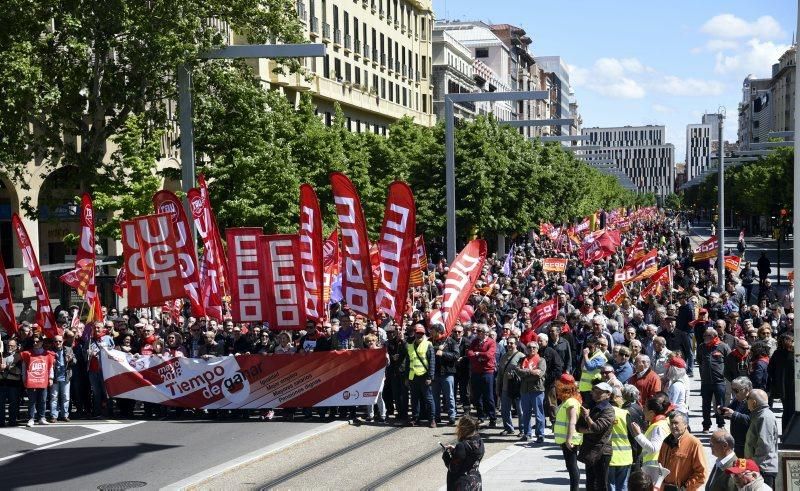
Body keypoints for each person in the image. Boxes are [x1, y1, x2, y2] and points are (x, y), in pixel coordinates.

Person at [577, 381, 616, 491]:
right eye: (594, 391)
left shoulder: (608, 409)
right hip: (590, 450)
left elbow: (597, 428)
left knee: (601, 484)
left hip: (602, 451)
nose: (595, 394)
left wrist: (587, 417)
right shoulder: (590, 405)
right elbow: (578, 427)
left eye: (600, 392)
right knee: (590, 483)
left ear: (608, 394)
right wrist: (589, 429)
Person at [657, 411, 707, 490]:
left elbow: (701, 474)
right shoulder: (666, 442)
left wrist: (684, 488)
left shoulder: (694, 443)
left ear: (685, 425)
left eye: (676, 423)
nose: (673, 426)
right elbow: (659, 464)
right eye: (671, 423)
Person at [698, 327, 730, 432]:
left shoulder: (723, 346)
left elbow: (729, 361)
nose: (704, 338)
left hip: (719, 382)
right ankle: (706, 425)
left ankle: (721, 424)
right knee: (705, 405)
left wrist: (725, 375)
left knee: (720, 404)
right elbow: (700, 360)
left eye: (706, 336)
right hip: (706, 382)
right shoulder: (702, 347)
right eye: (704, 336)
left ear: (713, 336)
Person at [743, 389, 778, 488]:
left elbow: (764, 445)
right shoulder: (758, 415)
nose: (746, 401)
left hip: (763, 469)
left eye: (747, 398)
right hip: (758, 467)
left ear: (753, 402)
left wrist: (752, 465)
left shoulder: (765, 417)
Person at [554, 374, 583, 491]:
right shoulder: (569, 401)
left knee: (572, 466)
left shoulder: (571, 402)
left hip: (571, 440)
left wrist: (569, 439)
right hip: (567, 439)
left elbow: (572, 421)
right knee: (570, 466)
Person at [442, 415, 484, 491]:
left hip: (462, 484)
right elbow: (470, 457)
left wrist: (446, 456)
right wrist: (456, 450)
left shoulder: (462, 446)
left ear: (463, 429)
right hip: (475, 481)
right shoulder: (479, 441)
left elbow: (453, 468)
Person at [405, 324, 436, 428]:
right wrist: (407, 378)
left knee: (428, 399)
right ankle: (415, 418)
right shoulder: (410, 345)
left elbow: (432, 362)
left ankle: (432, 420)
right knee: (414, 399)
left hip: (424, 376)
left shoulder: (428, 345)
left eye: (421, 333)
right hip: (413, 376)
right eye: (417, 333)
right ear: (414, 333)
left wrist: (430, 377)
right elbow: (408, 362)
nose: (419, 335)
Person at [515, 341, 546, 443]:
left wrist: (525, 374)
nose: (531, 349)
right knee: (526, 414)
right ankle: (527, 434)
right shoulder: (522, 359)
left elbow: (539, 374)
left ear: (537, 349)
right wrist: (531, 371)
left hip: (537, 390)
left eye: (533, 347)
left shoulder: (541, 360)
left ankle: (540, 434)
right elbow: (518, 371)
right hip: (524, 390)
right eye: (529, 347)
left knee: (538, 414)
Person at [467, 324, 497, 427]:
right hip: (476, 372)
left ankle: (492, 417)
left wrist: (478, 354)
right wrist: (478, 356)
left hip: (487, 372)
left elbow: (489, 355)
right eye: (477, 331)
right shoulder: (474, 341)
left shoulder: (491, 342)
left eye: (480, 331)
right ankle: (480, 416)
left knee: (489, 396)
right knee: (477, 396)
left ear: (485, 333)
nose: (478, 333)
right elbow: (470, 353)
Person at [631, 391, 671, 468]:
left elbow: (654, 449)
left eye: (645, 408)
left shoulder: (658, 427)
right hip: (654, 465)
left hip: (653, 466)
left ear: (651, 412)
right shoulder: (662, 422)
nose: (643, 410)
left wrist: (638, 435)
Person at [431, 323, 459, 425]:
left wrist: (443, 353)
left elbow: (456, 355)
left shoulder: (451, 341)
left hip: (447, 373)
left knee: (449, 396)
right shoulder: (430, 341)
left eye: (433, 331)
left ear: (438, 331)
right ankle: (436, 416)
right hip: (435, 373)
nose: (431, 332)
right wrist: (436, 349)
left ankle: (452, 416)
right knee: (435, 396)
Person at [495, 335, 523, 435]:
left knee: (521, 411)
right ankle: (508, 428)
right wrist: (497, 388)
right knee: (505, 410)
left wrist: (515, 375)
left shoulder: (521, 356)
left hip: (518, 388)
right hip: (505, 387)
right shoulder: (503, 357)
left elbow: (524, 372)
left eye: (512, 343)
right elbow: (499, 374)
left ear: (516, 344)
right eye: (508, 343)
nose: (509, 345)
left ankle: (522, 429)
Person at [719, 376, 753, 457]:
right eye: (733, 390)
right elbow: (730, 412)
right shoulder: (737, 400)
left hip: (747, 442)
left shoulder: (752, 400)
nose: (734, 393)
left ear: (747, 389)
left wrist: (734, 414)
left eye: (736, 391)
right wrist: (722, 411)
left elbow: (752, 420)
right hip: (737, 440)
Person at [608, 387, 633, 491]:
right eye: (620, 397)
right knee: (623, 485)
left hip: (609, 456)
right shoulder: (624, 414)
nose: (622, 399)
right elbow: (633, 436)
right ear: (614, 398)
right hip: (624, 456)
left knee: (610, 486)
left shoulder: (603, 411)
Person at [49, 334, 75, 422]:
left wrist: (71, 359)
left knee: (66, 397)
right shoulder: (50, 351)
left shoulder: (68, 349)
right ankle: (54, 416)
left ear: (63, 341)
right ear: (53, 342)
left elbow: (75, 361)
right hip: (55, 377)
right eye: (56, 341)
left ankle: (65, 415)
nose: (58, 343)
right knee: (54, 397)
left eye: (60, 341)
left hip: (66, 376)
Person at [578, 336, 608, 406]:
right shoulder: (590, 355)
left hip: (592, 389)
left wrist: (585, 355)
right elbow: (582, 368)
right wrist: (585, 356)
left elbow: (590, 367)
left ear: (597, 346)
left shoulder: (600, 357)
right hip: (584, 388)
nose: (588, 349)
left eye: (590, 347)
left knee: (590, 408)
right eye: (587, 347)